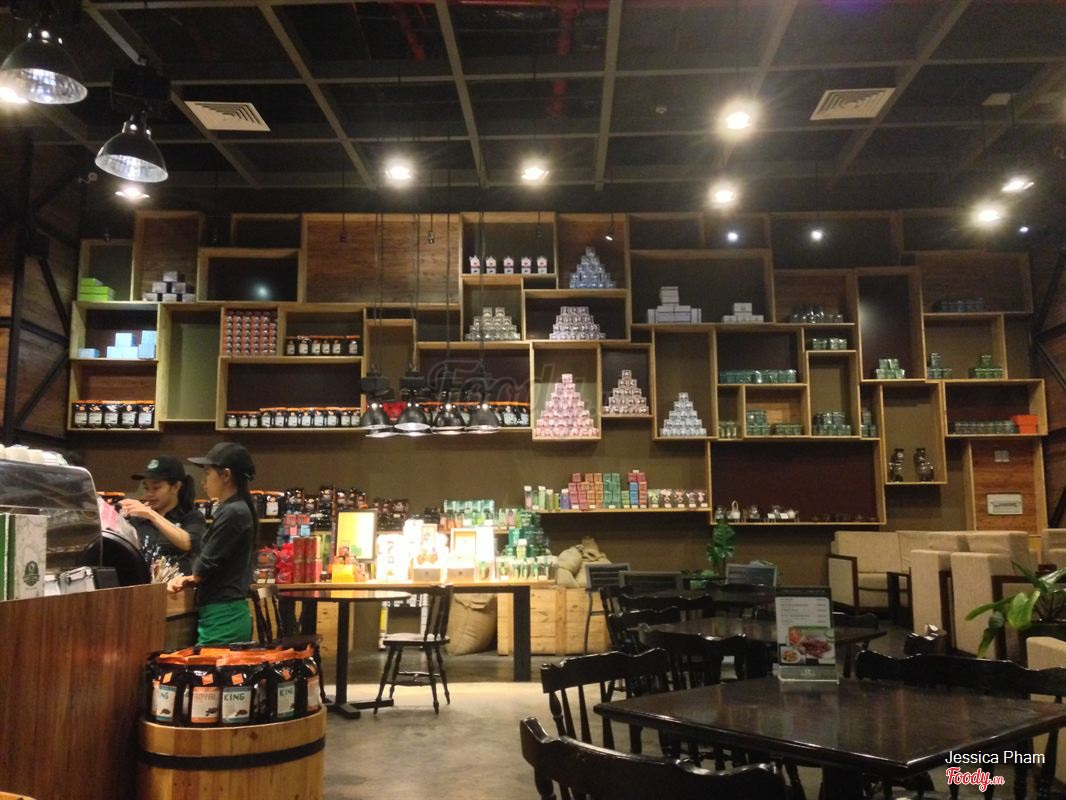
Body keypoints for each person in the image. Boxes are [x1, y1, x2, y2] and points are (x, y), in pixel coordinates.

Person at [168, 442, 258, 645]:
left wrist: (194, 576)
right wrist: (191, 578)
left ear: (226, 475)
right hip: (225, 614)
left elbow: (205, 564)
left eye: (207, 473)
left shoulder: (233, 512)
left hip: (224, 617)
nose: (203, 481)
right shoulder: (236, 508)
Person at [119, 455, 205, 575]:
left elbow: (188, 543)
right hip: (143, 582)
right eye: (146, 488)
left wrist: (151, 514)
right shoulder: (138, 518)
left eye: (156, 487)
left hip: (177, 583)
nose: (149, 494)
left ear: (176, 487)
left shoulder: (192, 516)